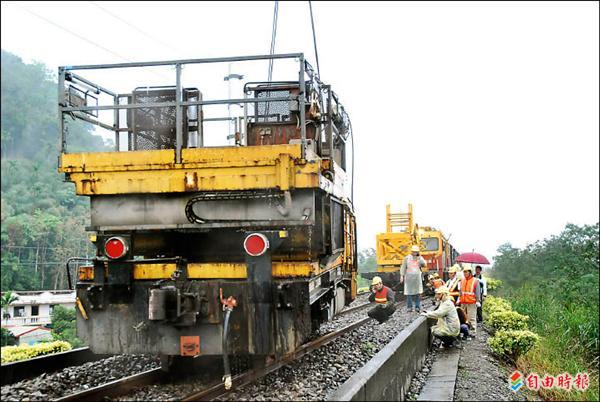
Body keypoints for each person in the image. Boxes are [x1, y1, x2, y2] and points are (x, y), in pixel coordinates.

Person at [400, 245, 427, 312]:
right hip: (409, 278)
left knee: (417, 293)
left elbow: (424, 264)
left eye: (416, 252)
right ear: (412, 251)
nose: (415, 253)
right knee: (409, 293)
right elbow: (403, 267)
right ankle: (409, 307)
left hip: (417, 278)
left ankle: (417, 307)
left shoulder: (420, 258)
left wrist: (420, 258)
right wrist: (401, 276)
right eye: (414, 252)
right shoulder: (406, 258)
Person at [458, 265, 481, 337]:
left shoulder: (475, 281)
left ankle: (473, 331)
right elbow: (461, 291)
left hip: (471, 302)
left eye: (466, 272)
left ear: (470, 272)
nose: (464, 273)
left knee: (472, 317)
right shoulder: (462, 280)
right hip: (463, 302)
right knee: (462, 317)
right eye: (464, 272)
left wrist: (478, 301)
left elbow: (477, 292)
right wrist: (459, 298)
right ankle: (464, 331)